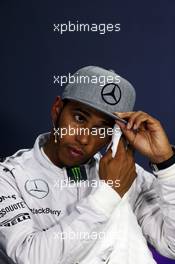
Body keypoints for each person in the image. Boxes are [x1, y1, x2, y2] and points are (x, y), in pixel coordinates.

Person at [0, 66, 175, 264]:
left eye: (102, 129)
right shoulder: (8, 177)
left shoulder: (127, 175)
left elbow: (172, 245)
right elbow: (28, 258)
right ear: (57, 110)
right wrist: (109, 192)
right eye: (79, 118)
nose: (84, 139)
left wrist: (166, 164)